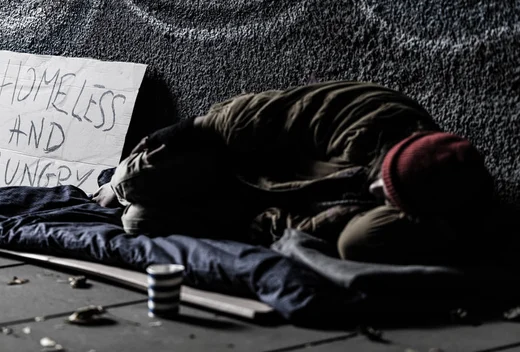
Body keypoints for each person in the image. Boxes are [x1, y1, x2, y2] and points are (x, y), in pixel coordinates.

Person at [92, 81, 494, 265]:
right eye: (381, 181)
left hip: (260, 212)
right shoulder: (361, 112)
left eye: (391, 198)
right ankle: (114, 182)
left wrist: (262, 226)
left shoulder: (438, 202)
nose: (377, 192)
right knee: (131, 183)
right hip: (232, 165)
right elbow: (220, 124)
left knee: (139, 221)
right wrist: (121, 177)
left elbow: (326, 230)